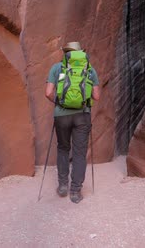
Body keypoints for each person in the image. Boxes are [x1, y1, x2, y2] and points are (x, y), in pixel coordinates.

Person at [45, 41, 101, 203]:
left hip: (61, 116)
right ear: (80, 53)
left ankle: (63, 186)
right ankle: (75, 191)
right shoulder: (89, 69)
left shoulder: (56, 68)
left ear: (66, 53)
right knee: (79, 153)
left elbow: (48, 92)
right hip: (82, 115)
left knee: (63, 148)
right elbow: (97, 97)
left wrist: (60, 103)